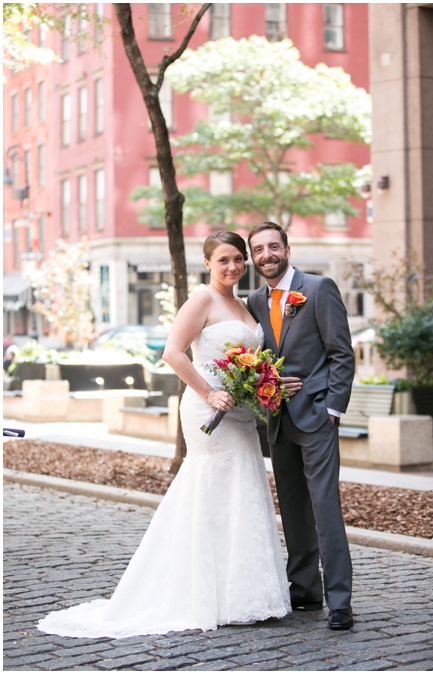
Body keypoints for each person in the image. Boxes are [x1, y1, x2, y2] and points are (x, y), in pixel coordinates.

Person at [37, 231, 292, 638]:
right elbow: (172, 352)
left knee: (242, 489)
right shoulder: (201, 300)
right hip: (208, 408)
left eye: (238, 259)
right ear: (207, 263)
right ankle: (200, 591)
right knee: (209, 489)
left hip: (240, 414)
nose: (233, 266)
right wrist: (209, 391)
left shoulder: (243, 304)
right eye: (223, 259)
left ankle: (242, 593)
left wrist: (261, 384)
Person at [246, 222, 356, 631]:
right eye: (258, 250)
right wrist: (263, 382)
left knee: (326, 509)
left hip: (316, 419)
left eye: (273, 246)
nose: (266, 255)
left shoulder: (318, 288)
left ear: (287, 249)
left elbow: (341, 353)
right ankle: (305, 592)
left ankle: (340, 601)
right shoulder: (255, 300)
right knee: (292, 510)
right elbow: (258, 359)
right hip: (278, 420)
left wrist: (332, 409)